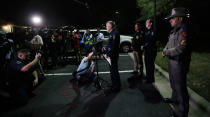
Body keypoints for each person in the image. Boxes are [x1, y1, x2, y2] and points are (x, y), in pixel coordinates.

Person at [162, 7, 191, 117]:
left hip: (179, 64)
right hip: (172, 62)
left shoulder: (183, 30)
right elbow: (169, 43)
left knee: (181, 90)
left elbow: (180, 48)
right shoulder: (174, 31)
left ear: (179, 19)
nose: (170, 20)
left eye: (172, 18)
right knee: (174, 85)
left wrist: (166, 52)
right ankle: (174, 102)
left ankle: (182, 113)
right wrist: (165, 50)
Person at [102, 21, 121, 93]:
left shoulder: (115, 33)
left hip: (113, 55)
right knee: (112, 70)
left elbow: (114, 47)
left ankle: (117, 86)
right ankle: (114, 84)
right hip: (111, 55)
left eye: (107, 25)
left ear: (111, 26)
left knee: (114, 71)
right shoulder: (111, 33)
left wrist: (108, 53)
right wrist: (105, 50)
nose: (106, 27)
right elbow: (109, 45)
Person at [141, 19, 157, 83]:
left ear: (151, 24)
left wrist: (144, 46)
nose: (146, 24)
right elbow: (145, 40)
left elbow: (151, 41)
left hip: (151, 50)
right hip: (147, 50)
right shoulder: (146, 31)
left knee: (150, 64)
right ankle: (148, 77)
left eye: (147, 22)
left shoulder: (153, 31)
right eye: (146, 22)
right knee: (147, 64)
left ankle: (151, 79)